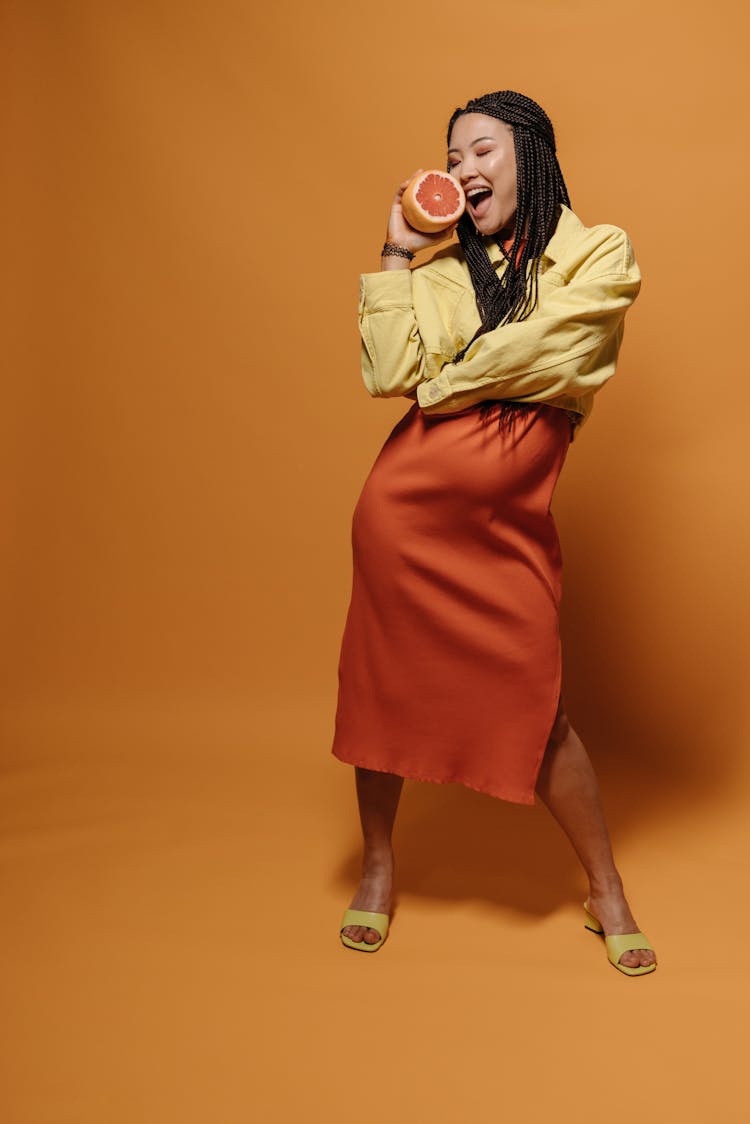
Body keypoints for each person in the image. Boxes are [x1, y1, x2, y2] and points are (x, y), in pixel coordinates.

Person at [331, 90, 657, 977]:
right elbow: (391, 371)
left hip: (506, 520)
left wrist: (451, 378)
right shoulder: (434, 273)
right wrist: (398, 250)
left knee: (538, 706)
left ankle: (605, 889)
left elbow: (562, 352)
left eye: (484, 150)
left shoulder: (600, 251)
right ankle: (379, 864)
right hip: (404, 513)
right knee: (381, 685)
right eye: (453, 156)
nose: (466, 170)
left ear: (533, 156)